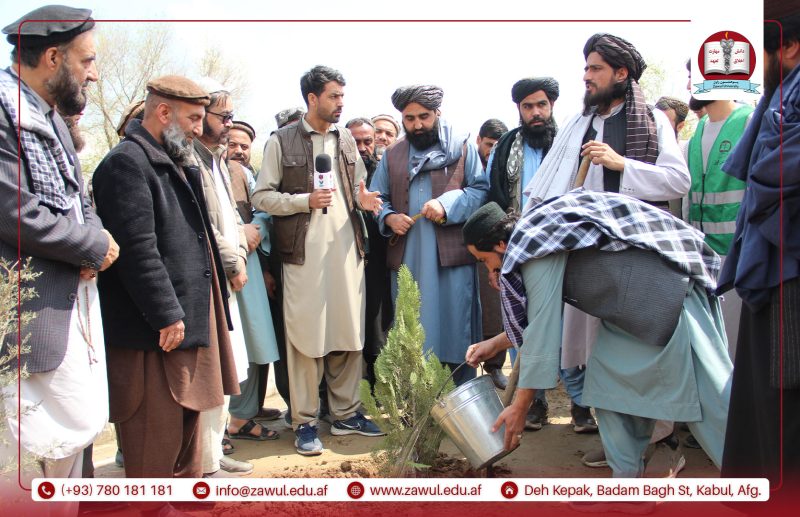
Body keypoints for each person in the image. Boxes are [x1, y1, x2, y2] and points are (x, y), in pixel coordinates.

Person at [463, 195, 731, 483]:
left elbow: (541, 331)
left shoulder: (533, 246)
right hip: (628, 316)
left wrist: (520, 406)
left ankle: (755, 485)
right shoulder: (537, 235)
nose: (489, 270)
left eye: (484, 260)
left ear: (501, 245)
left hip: (666, 297)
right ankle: (625, 489)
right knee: (608, 390)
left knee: (711, 407)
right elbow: (542, 317)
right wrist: (495, 344)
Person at [92, 75, 240, 492]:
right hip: (154, 332)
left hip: (183, 325)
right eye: (193, 118)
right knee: (152, 446)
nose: (199, 127)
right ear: (162, 112)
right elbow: (136, 248)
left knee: (185, 443)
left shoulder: (173, 160)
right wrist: (166, 313)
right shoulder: (126, 163)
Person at [0, 6, 118, 514]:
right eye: (86, 60)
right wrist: (90, 247)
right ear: (53, 57)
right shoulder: (4, 113)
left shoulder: (49, 117)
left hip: (67, 299)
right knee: (27, 453)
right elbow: (14, 210)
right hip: (26, 310)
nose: (94, 74)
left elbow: (78, 200)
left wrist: (94, 239)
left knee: (66, 445)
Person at [252, 65, 385, 456]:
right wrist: (303, 201)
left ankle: (346, 414)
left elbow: (356, 187)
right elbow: (262, 196)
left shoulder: (346, 140)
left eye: (342, 95)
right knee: (306, 339)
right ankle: (306, 421)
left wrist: (363, 200)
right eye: (333, 96)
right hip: (302, 256)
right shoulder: (281, 141)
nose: (341, 103)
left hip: (347, 251)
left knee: (348, 334)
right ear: (312, 98)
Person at [720, 4, 800, 499]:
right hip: (772, 264)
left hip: (788, 270)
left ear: (787, 47)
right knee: (768, 403)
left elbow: (774, 174)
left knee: (786, 402)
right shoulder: (782, 94)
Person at [370, 84, 489, 385]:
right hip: (409, 258)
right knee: (412, 327)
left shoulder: (463, 148)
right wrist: (389, 217)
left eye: (424, 116)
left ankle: (459, 396)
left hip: (452, 261)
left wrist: (446, 204)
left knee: (455, 325)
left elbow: (480, 191)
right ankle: (418, 401)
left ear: (438, 113)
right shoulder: (393, 154)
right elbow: (376, 198)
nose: (417, 125)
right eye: (409, 119)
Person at [190, 80, 266, 477]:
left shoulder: (217, 160)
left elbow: (233, 218)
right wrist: (234, 263)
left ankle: (214, 456)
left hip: (227, 274)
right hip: (210, 278)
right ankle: (204, 463)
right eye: (224, 116)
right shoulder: (189, 159)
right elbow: (205, 224)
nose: (229, 124)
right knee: (208, 374)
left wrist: (237, 258)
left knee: (226, 369)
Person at [685, 97, 754, 359]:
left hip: (739, 257)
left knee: (734, 348)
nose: (691, 85)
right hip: (701, 257)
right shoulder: (697, 133)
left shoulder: (749, 122)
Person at [346, 117, 393, 390]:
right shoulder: (338, 173)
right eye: (356, 142)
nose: (363, 148)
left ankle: (378, 390)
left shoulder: (383, 171)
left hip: (377, 261)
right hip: (345, 260)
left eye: (368, 141)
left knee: (377, 327)